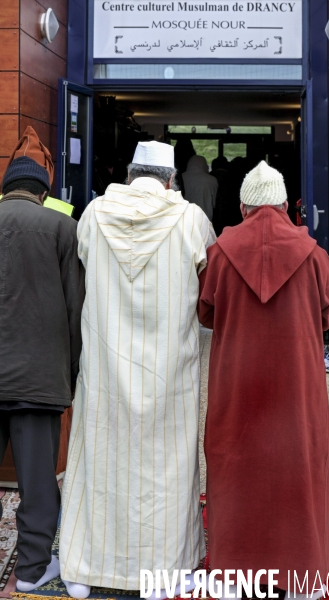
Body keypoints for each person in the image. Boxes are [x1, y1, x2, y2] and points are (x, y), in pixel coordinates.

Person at [59, 141, 216, 599]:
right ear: (171, 180)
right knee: (166, 466)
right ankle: (160, 572)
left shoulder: (92, 215)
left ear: (130, 174)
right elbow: (209, 289)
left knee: (99, 462)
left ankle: (83, 569)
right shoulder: (190, 220)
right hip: (169, 367)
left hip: (106, 363)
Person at [198, 161, 329, 600]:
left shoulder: (222, 253)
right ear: (284, 206)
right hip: (296, 392)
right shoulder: (314, 255)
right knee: (297, 467)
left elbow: (206, 312)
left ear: (243, 207)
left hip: (236, 385)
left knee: (233, 467)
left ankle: (231, 573)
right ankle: (299, 577)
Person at [0, 131, 85, 592]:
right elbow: (76, 309)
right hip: (38, 377)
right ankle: (32, 571)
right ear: (43, 192)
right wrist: (70, 375)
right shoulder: (61, 228)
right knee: (36, 482)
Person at [183, 155, 218, 221]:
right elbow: (215, 203)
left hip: (184, 218)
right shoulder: (212, 180)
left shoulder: (181, 177)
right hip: (204, 219)